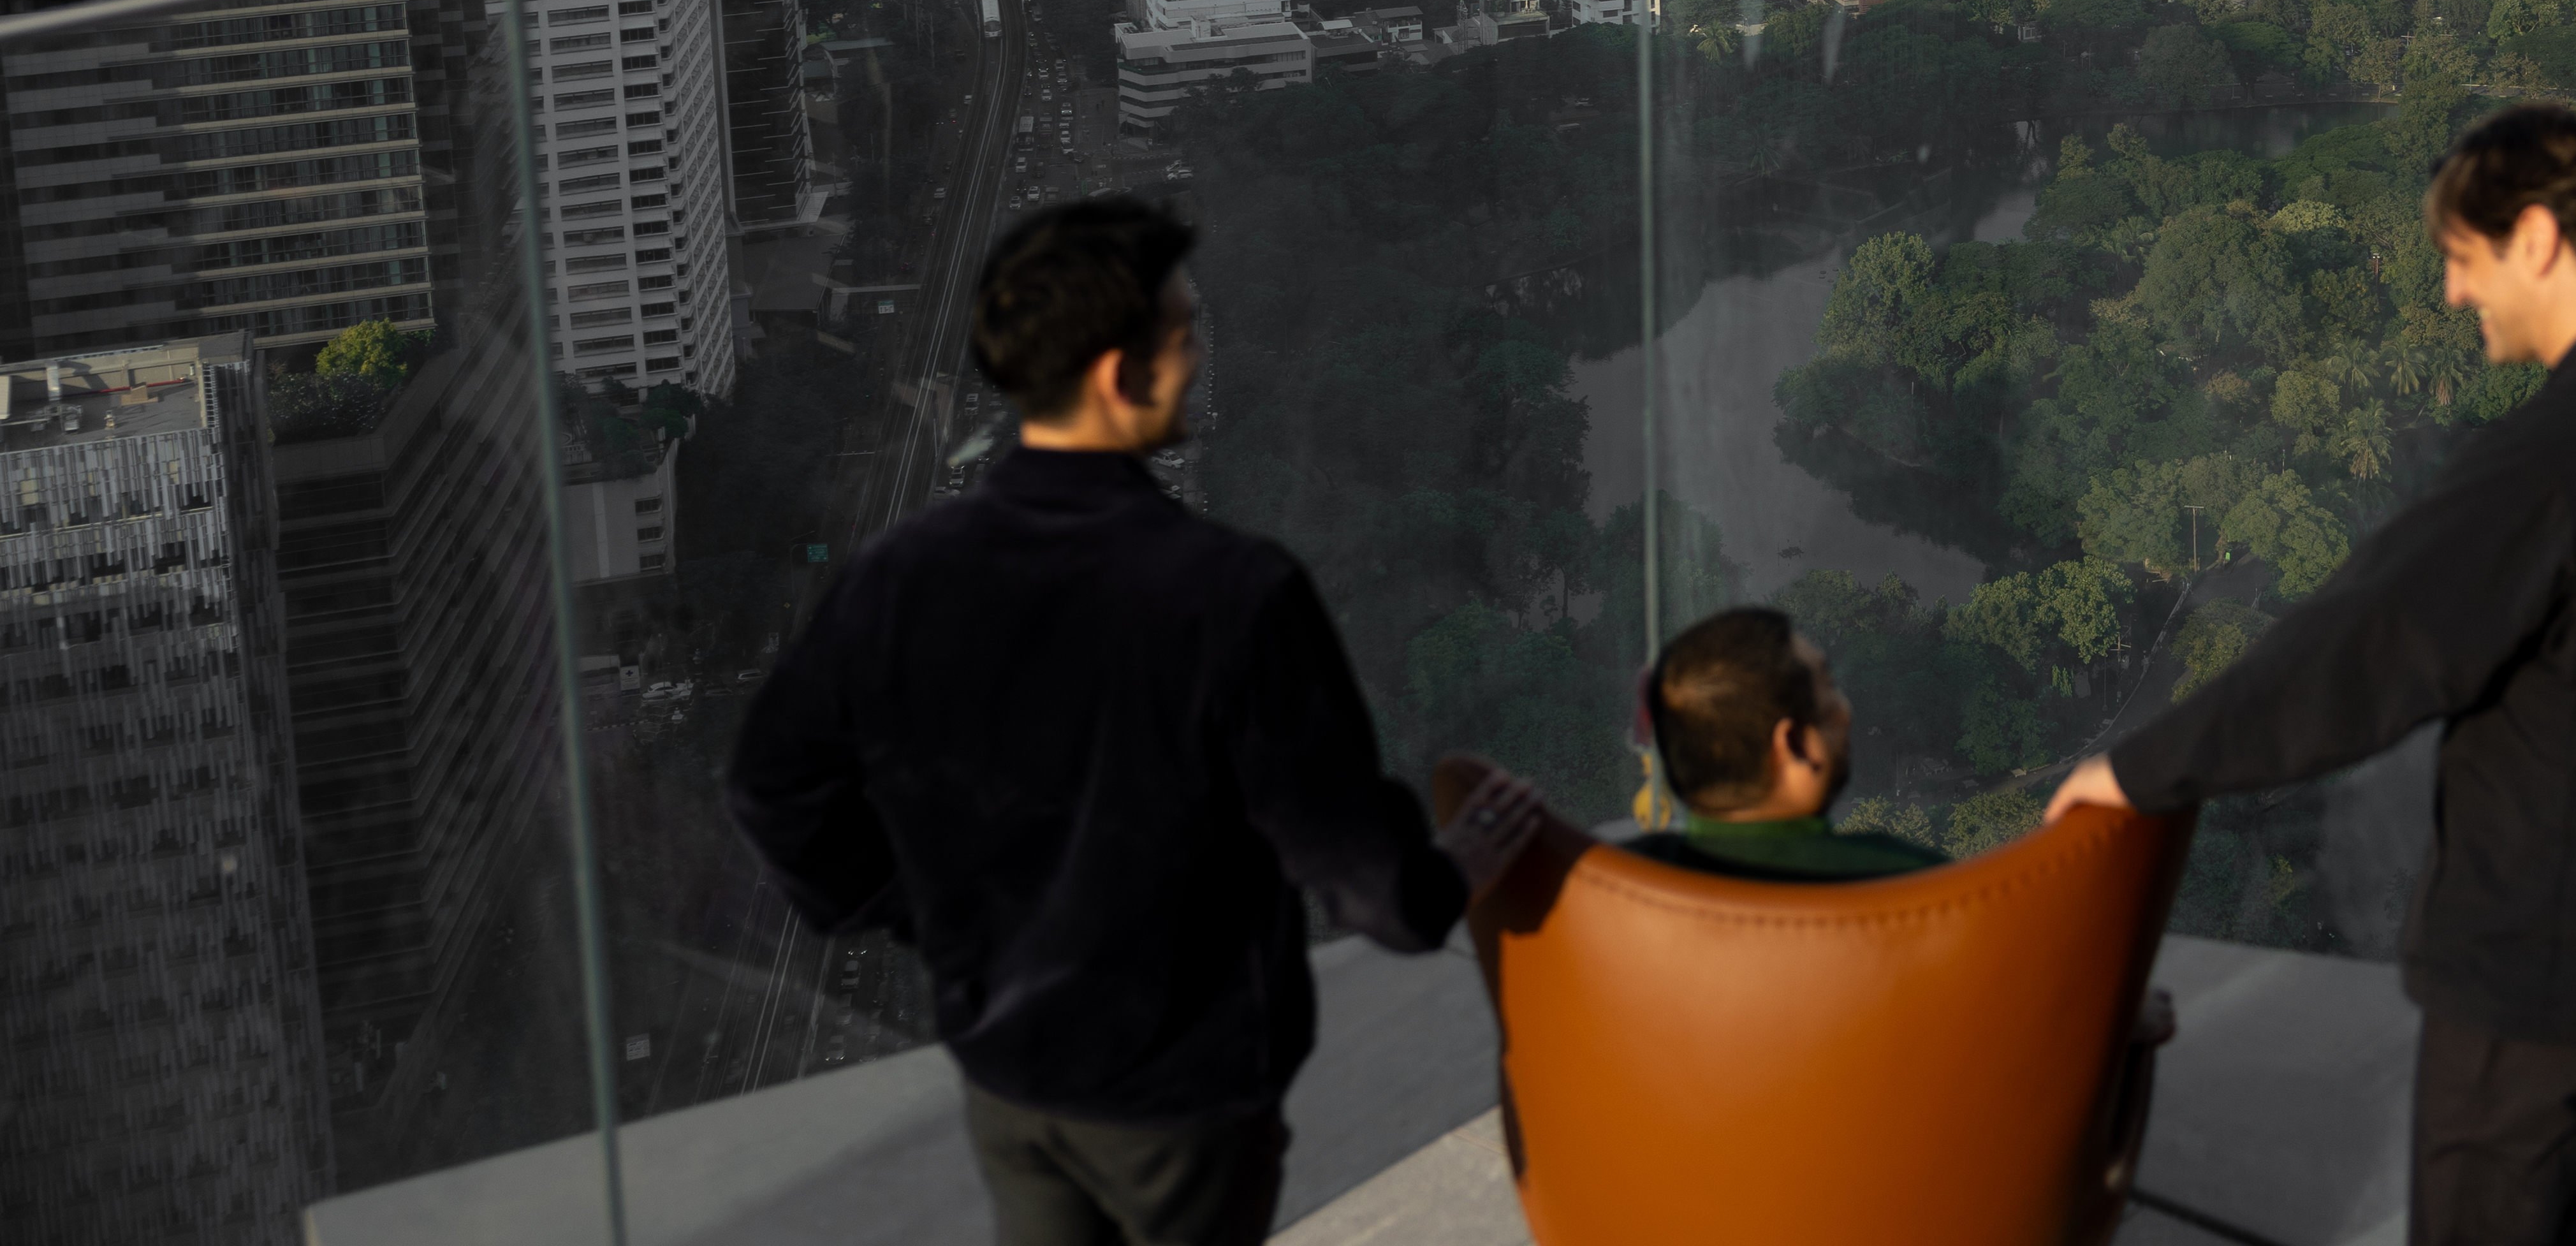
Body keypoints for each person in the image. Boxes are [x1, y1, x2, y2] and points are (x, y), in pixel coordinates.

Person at [2047, 103, 2576, 1246]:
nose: (2455, 292)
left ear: (2539, 240)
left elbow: (2360, 654)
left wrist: (2139, 769)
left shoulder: (2554, 457)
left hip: (2543, 951)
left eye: (2464, 258)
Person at [727, 198, 1544, 1246]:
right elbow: (1366, 881)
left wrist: (922, 910)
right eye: (1185, 332)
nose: (1200, 356)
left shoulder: (901, 576)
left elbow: (773, 786)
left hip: (1012, 1080)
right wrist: (1451, 874)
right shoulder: (1235, 595)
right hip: (1184, 1096)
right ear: (1122, 375)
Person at [1631, 605, 1943, 881]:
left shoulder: (1622, 884)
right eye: (1830, 689)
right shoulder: (1923, 887)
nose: (1846, 712)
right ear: (1795, 743)